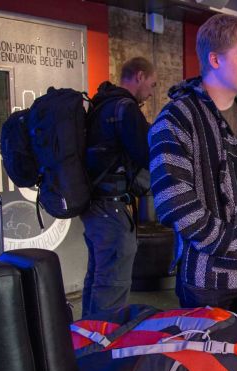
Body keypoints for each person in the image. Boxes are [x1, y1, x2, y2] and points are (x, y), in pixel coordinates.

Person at [148, 14, 237, 310]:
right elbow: (173, 200)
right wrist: (227, 242)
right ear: (214, 59)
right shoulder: (177, 118)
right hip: (207, 284)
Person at [80, 57, 156, 318]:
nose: (151, 92)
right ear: (140, 76)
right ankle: (104, 340)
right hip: (111, 209)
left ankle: (86, 336)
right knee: (112, 285)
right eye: (152, 84)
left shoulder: (101, 104)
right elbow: (147, 155)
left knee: (97, 280)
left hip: (94, 206)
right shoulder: (126, 108)